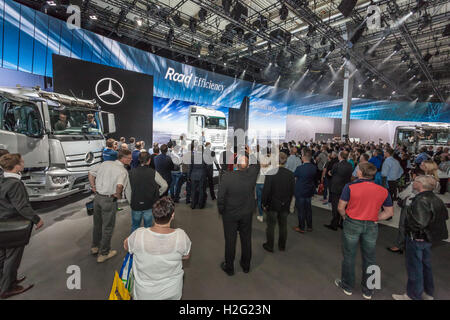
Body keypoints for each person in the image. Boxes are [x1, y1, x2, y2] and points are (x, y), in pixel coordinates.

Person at [334, 162, 394, 299]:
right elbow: (389, 212)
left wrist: (344, 217)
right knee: (370, 257)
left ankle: (347, 286)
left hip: (352, 222)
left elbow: (340, 207)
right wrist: (375, 218)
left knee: (349, 256)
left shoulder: (350, 187)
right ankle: (368, 290)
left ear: (360, 173)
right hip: (371, 225)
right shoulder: (383, 190)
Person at [392, 175, 448, 300]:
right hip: (428, 238)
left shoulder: (421, 200)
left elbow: (419, 223)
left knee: (414, 267)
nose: (413, 183)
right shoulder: (435, 199)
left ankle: (413, 295)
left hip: (417, 238)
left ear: (421, 185)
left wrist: (410, 230)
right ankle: (427, 292)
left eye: (415, 181)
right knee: (425, 265)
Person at [124, 197, 191, 300]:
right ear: (172, 215)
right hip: (172, 291)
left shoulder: (139, 234)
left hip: (145, 294)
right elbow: (186, 256)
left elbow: (126, 245)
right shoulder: (181, 236)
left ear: (153, 214)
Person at [0, 153, 44, 299]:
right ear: (17, 166)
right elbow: (22, 207)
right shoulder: (15, 184)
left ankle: (8, 281)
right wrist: (36, 219)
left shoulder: (2, 179)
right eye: (22, 161)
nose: (24, 163)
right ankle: (7, 288)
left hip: (2, 224)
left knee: (3, 257)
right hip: (12, 225)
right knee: (12, 258)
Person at [217, 154, 260, 276]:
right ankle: (246, 266)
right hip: (246, 213)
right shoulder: (251, 175)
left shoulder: (227, 177)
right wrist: (249, 152)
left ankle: (229, 267)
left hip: (230, 214)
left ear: (235, 165)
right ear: (247, 166)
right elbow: (256, 164)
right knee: (246, 239)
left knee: (230, 240)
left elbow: (221, 197)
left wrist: (221, 210)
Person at [88, 149, 132, 263]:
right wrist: (117, 195)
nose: (131, 159)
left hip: (97, 198)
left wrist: (93, 187)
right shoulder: (122, 171)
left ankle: (94, 247)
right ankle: (104, 253)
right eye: (129, 158)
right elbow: (119, 185)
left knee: (97, 224)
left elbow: (91, 173)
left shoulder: (105, 163)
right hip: (108, 200)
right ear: (123, 158)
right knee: (108, 227)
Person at [261, 152, 294, 252]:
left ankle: (270, 246)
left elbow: (266, 191)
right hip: (285, 204)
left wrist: (264, 203)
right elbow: (292, 191)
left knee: (270, 226)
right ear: (286, 161)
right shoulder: (290, 174)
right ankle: (282, 246)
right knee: (283, 226)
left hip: (272, 204)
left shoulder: (271, 173)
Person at [129, 152, 168, 233]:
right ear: (149, 160)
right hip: (149, 204)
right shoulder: (153, 172)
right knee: (148, 227)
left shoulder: (131, 172)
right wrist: (158, 194)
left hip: (135, 203)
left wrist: (130, 200)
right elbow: (164, 185)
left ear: (139, 160)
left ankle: (133, 243)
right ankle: (147, 243)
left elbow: (128, 189)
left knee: (135, 226)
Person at [325, 151, 353, 231]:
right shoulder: (350, 165)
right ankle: (342, 223)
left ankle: (334, 224)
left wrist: (330, 172)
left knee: (335, 207)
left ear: (340, 156)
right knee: (344, 206)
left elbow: (330, 173)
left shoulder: (337, 165)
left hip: (336, 188)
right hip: (345, 188)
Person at [293, 150, 317, 233]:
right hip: (309, 190)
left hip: (300, 191)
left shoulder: (300, 168)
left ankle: (301, 227)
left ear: (303, 157)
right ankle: (309, 226)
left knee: (301, 210)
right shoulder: (314, 167)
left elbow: (295, 176)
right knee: (308, 209)